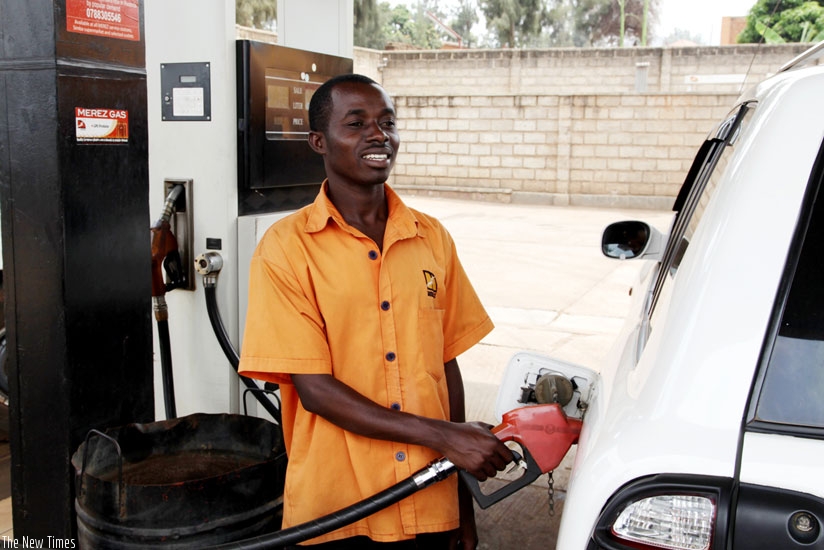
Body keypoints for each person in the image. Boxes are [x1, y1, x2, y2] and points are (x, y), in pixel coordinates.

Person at [239, 74, 513, 549]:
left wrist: (461, 501)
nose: (379, 135)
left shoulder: (432, 238)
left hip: (429, 502)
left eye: (388, 122)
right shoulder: (286, 249)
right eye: (357, 123)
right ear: (319, 141)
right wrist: (447, 438)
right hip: (337, 511)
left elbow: (445, 367)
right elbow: (316, 391)